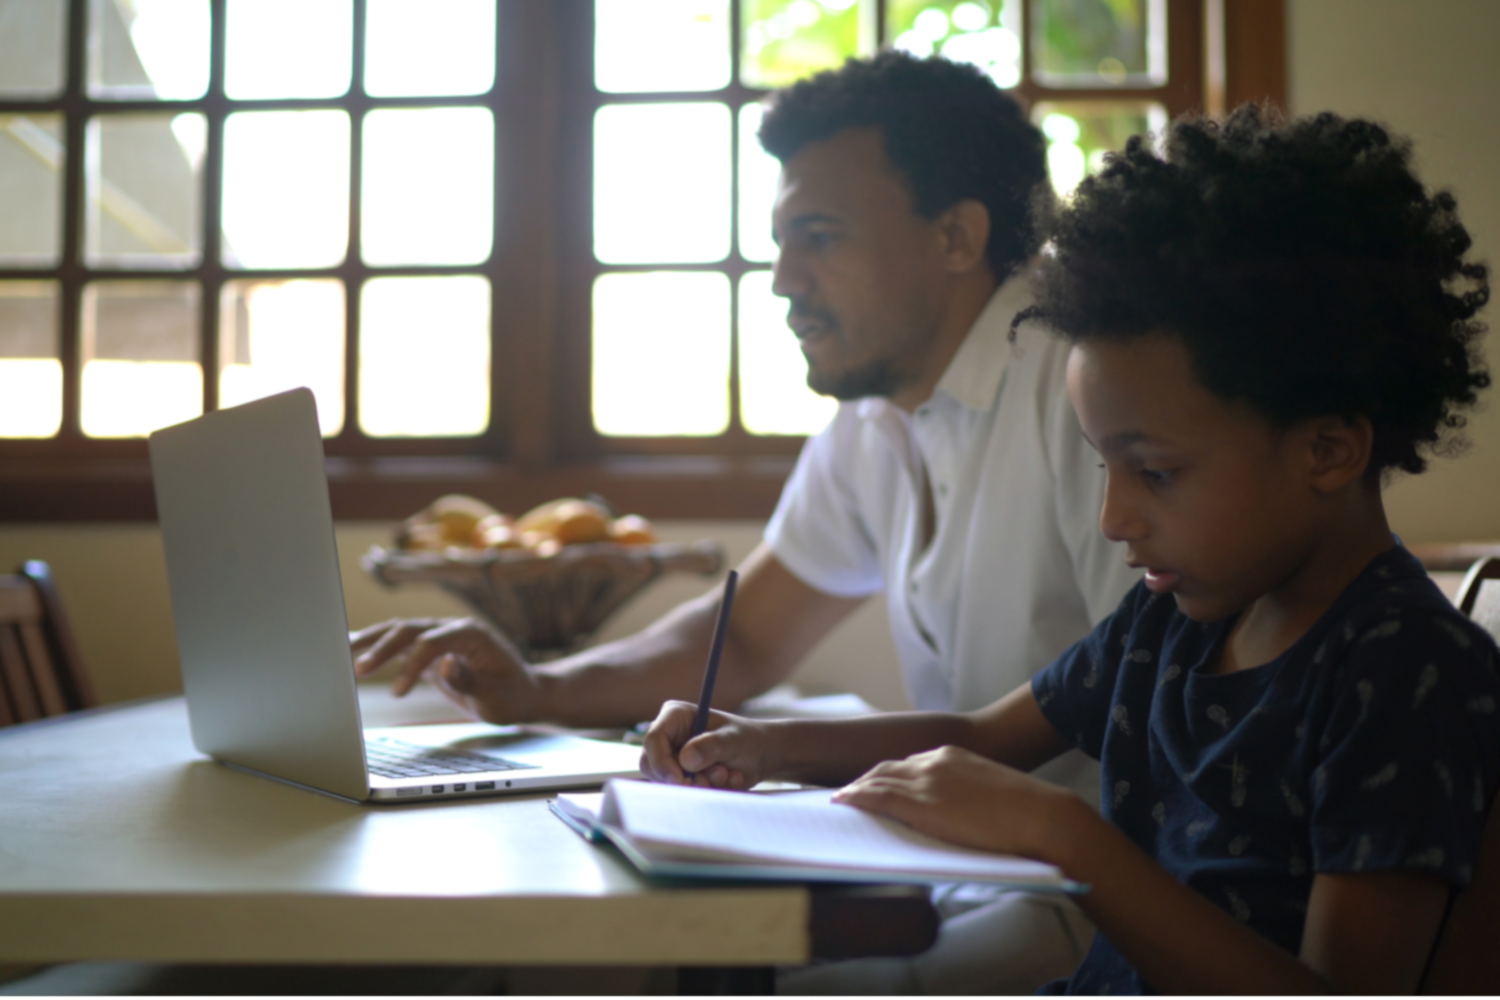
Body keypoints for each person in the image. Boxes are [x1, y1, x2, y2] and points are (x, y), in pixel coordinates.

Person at [640, 105, 1500, 993]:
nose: (1114, 517)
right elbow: (975, 735)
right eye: (1103, 466)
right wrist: (764, 748)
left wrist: (1069, 837)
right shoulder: (1173, 618)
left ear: (1328, 449)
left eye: (1156, 472)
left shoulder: (1406, 672)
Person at [353, 52, 1139, 991]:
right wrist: (537, 688)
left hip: (1095, 895)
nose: (780, 279)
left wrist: (779, 747)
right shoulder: (873, 419)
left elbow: (1139, 701)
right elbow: (751, 632)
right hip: (954, 858)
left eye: (819, 235)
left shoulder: (1082, 389)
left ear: (957, 237)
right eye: (780, 240)